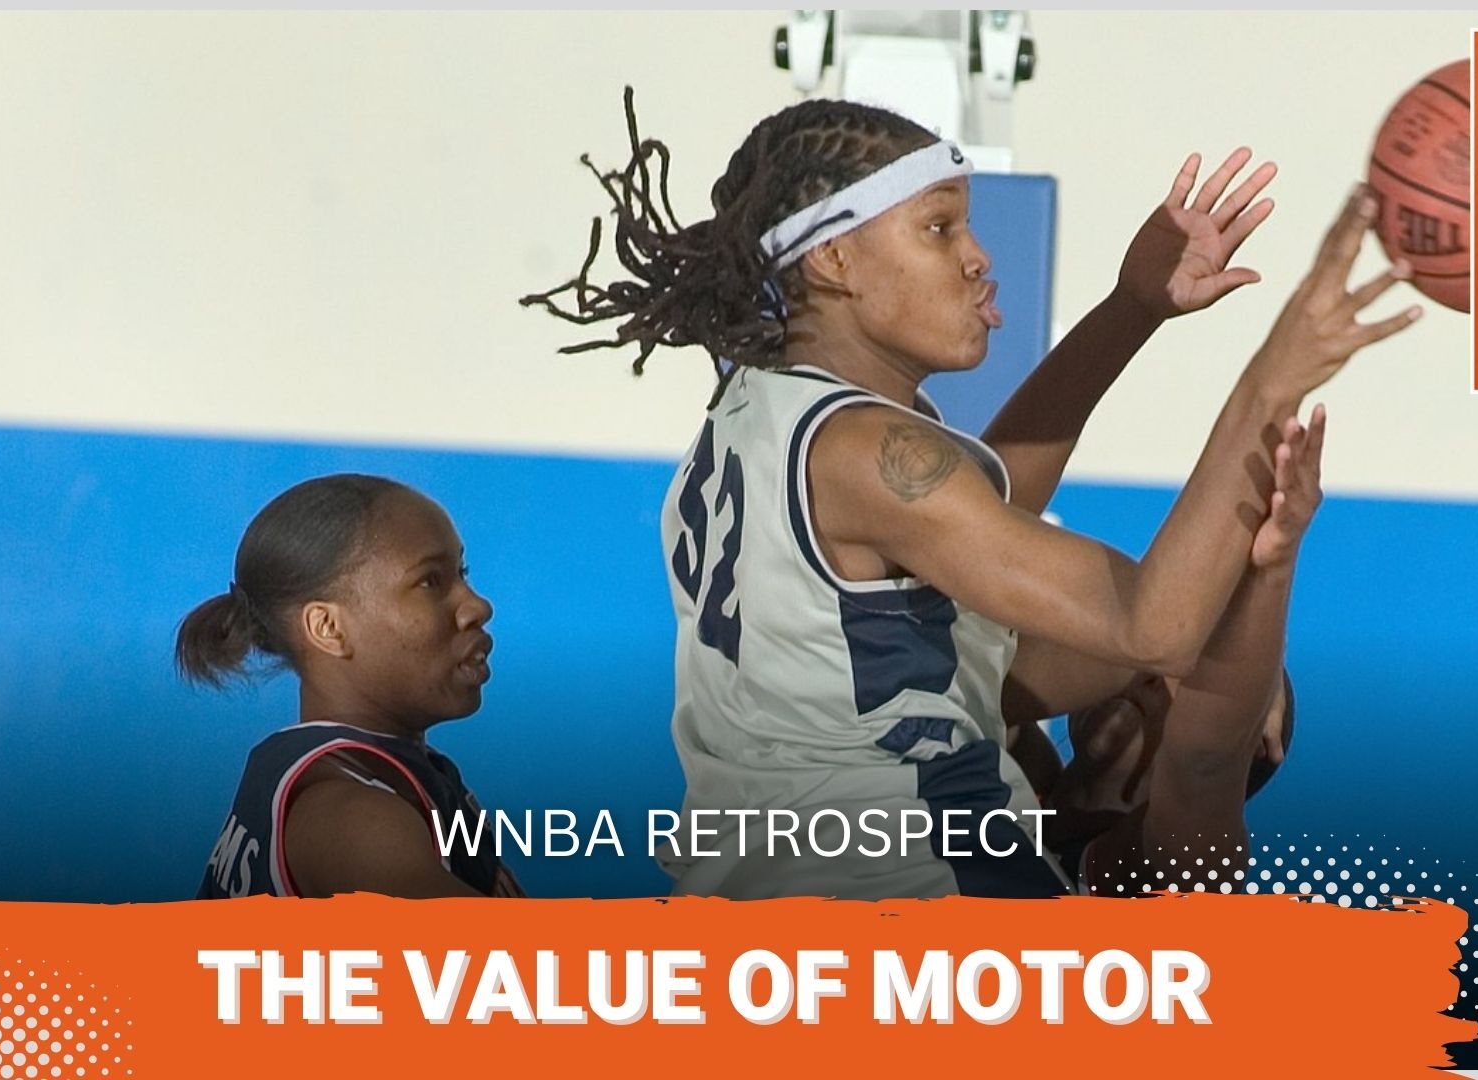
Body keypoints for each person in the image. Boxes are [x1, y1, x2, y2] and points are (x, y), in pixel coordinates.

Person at [525, 93, 1417, 898]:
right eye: (939, 228)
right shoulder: (869, 450)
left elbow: (988, 504)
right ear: (836, 257)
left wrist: (1130, 308)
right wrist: (1273, 382)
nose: (978, 257)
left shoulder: (752, 424)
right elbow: (1154, 622)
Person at [181, 474, 522, 899]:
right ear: (328, 628)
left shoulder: (350, 774)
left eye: (462, 573)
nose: (477, 606)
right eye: (430, 582)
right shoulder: (357, 823)